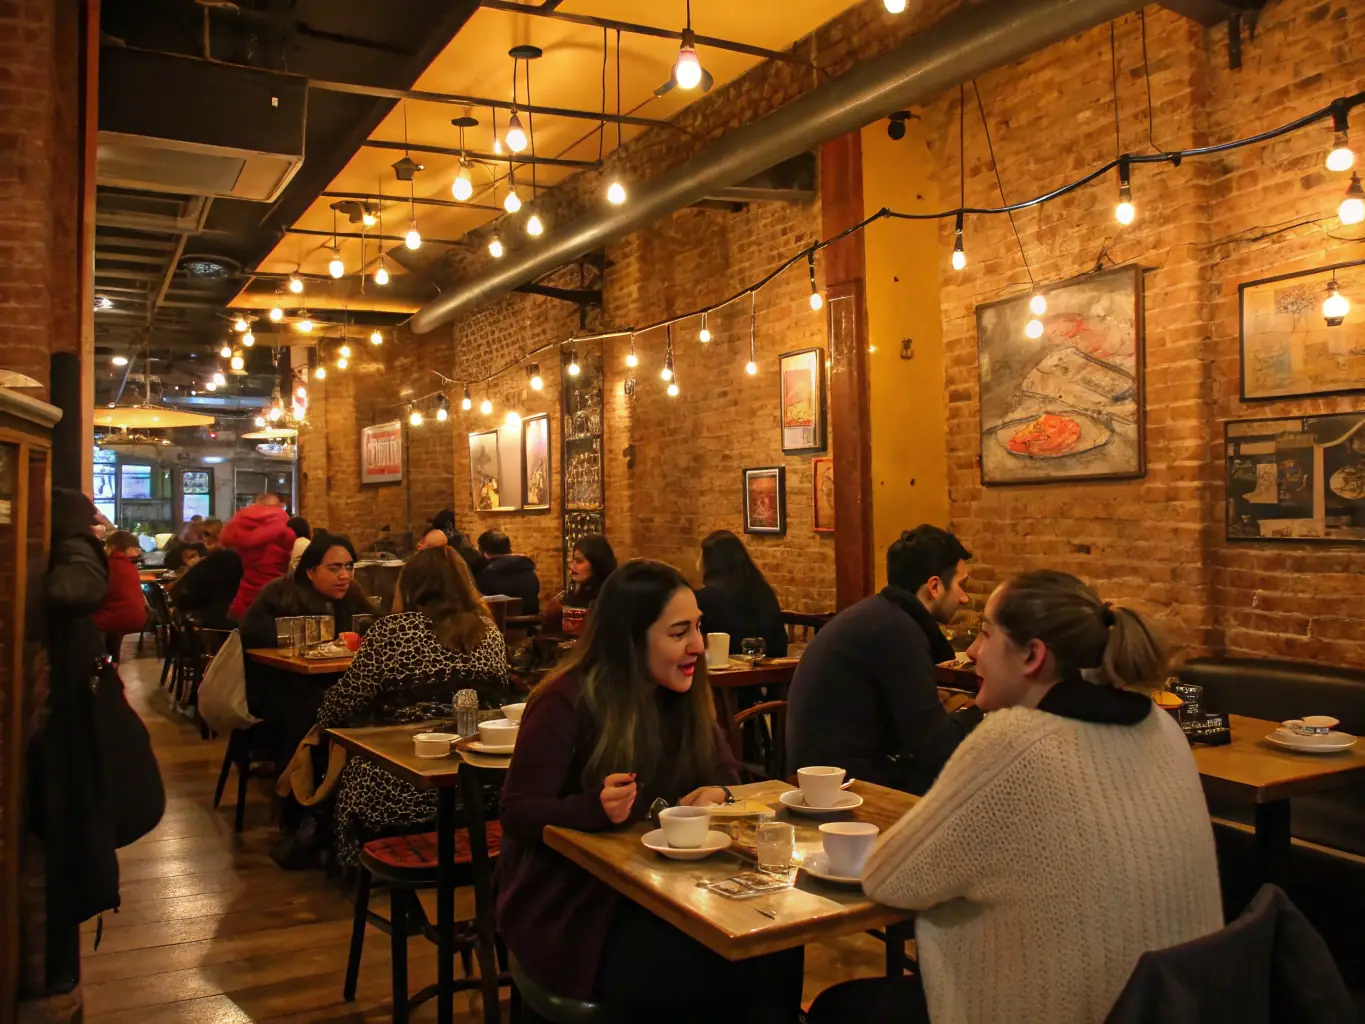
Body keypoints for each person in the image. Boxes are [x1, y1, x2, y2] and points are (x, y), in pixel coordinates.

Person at [808, 571, 1223, 1024]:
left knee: (837, 1009)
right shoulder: (1159, 724)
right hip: (1177, 1006)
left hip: (1065, 1010)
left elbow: (889, 878)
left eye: (986, 634)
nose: (972, 652)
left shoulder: (1015, 741)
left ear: (1032, 656)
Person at [497, 559, 802, 1023]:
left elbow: (727, 774)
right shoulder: (565, 700)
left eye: (698, 628)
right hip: (578, 906)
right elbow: (516, 811)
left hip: (671, 891)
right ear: (630, 637)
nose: (697, 645)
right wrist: (591, 808)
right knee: (694, 966)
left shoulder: (683, 695)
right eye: (679, 632)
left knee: (777, 945)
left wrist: (719, 793)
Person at [318, 547, 510, 865]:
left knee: (349, 765)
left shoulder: (392, 632)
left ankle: (350, 861)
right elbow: (499, 699)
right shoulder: (488, 632)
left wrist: (322, 717)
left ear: (409, 585)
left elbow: (341, 705)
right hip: (476, 783)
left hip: (396, 782)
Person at [786, 525, 983, 794]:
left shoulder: (880, 615)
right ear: (935, 586)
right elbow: (936, 746)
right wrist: (984, 709)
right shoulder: (896, 631)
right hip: (840, 788)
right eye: (962, 584)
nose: (964, 597)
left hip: (823, 773)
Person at [240, 533, 377, 765]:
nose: (344, 575)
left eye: (349, 567)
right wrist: (311, 636)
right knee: (311, 706)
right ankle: (299, 783)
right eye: (334, 568)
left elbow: (376, 628)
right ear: (310, 571)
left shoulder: (352, 595)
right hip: (278, 687)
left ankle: (353, 775)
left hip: (336, 681)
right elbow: (252, 633)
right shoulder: (280, 593)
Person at [694, 529, 788, 658]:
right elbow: (779, 642)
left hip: (725, 673)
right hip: (771, 670)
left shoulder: (704, 598)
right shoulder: (762, 590)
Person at [221, 494, 295, 623]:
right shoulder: (282, 520)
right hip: (275, 595)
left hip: (243, 595)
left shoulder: (239, 520)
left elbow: (225, 542)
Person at [171, 517, 242, 628]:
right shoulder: (237, 558)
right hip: (235, 616)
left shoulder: (211, 562)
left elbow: (187, 595)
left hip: (212, 621)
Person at [543, 534, 617, 636]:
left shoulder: (607, 597)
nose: (572, 567)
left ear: (597, 563)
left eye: (579, 561)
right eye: (572, 560)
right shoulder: (578, 592)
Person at [92, 530, 149, 659]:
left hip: (119, 617)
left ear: (112, 547)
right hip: (137, 617)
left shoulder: (109, 565)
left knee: (82, 623)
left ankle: (98, 664)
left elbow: (99, 593)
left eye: (106, 546)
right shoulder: (128, 564)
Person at [475, 529, 540, 614]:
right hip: (531, 623)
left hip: (501, 625)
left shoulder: (487, 575)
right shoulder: (529, 570)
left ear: (484, 552)